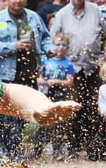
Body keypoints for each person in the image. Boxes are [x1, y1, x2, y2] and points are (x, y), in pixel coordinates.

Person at [0, 0, 51, 160]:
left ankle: (13, 149)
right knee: (10, 115)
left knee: (25, 114)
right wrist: (13, 46)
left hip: (30, 74)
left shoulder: (33, 17)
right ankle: (11, 152)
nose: (17, 1)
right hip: (8, 75)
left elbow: (46, 37)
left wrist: (49, 48)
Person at [50, 0, 106, 159]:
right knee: (73, 108)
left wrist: (105, 55)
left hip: (93, 67)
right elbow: (53, 41)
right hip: (71, 69)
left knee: (94, 107)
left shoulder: (96, 11)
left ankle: (94, 146)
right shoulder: (62, 15)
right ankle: (72, 145)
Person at [30, 32, 75, 160]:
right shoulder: (46, 60)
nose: (60, 47)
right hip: (46, 94)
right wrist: (42, 80)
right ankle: (37, 149)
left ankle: (57, 149)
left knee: (58, 123)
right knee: (43, 122)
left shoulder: (68, 63)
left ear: (67, 47)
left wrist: (56, 82)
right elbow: (39, 77)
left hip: (60, 95)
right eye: (57, 44)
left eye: (63, 45)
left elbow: (70, 82)